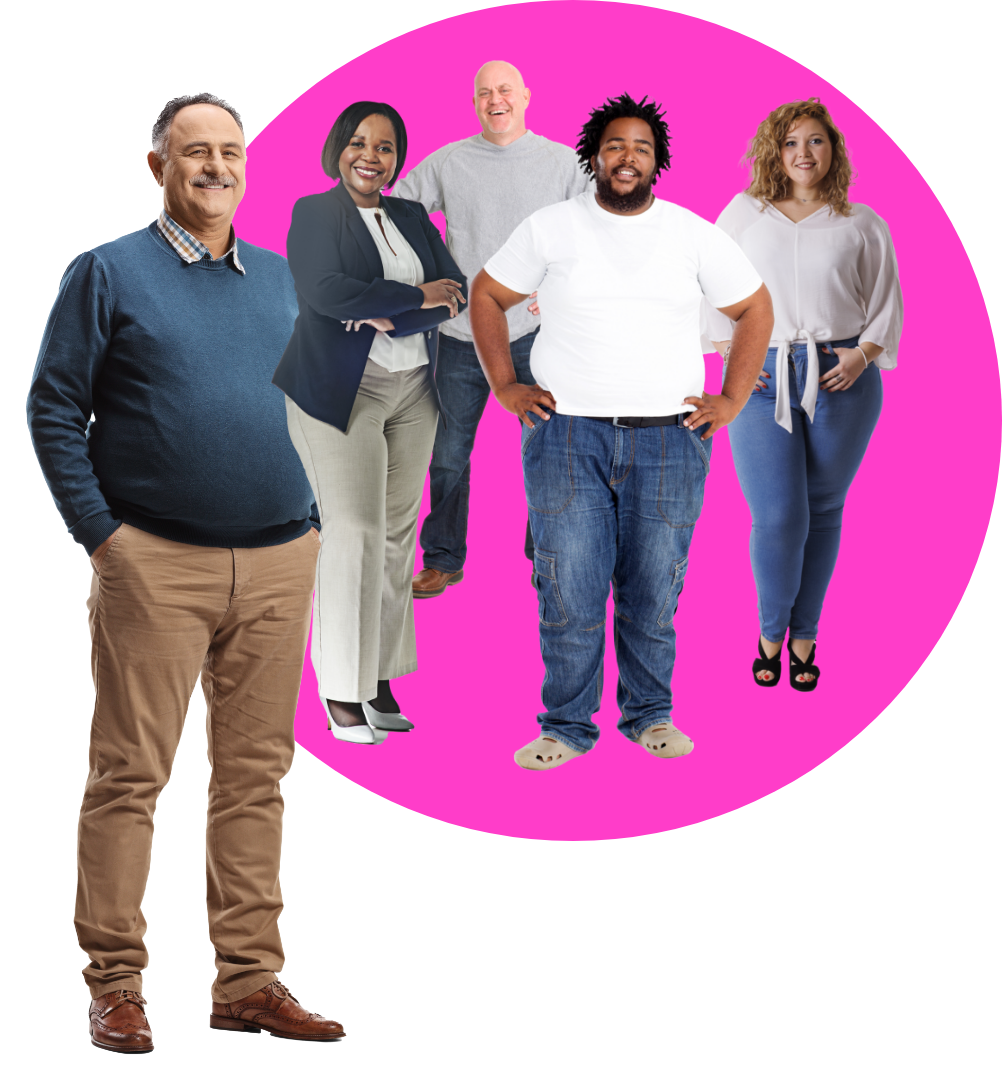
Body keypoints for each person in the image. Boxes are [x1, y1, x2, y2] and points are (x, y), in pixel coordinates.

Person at [26, 93, 345, 1052]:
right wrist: (104, 538)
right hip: (154, 561)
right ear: (158, 165)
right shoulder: (107, 272)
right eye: (195, 151)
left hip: (282, 560)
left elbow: (319, 414)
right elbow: (51, 409)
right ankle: (116, 984)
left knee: (256, 779)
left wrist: (319, 522)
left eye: (231, 151)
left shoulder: (285, 280)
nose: (216, 166)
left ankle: (249, 983)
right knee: (130, 776)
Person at [470, 93, 773, 769]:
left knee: (653, 586)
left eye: (640, 146)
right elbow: (487, 294)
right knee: (567, 584)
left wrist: (732, 397)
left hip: (671, 438)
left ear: (657, 160)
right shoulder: (552, 227)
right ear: (594, 157)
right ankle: (566, 726)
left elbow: (754, 306)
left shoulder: (691, 233)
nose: (627, 157)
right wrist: (504, 383)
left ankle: (650, 716)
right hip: (565, 436)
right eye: (614, 146)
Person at [273, 101, 467, 744]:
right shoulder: (314, 212)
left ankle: (379, 675)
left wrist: (389, 312)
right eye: (359, 142)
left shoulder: (410, 215)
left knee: (394, 540)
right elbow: (325, 293)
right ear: (338, 147)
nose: (371, 156)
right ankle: (340, 688)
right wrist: (415, 297)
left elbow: (456, 290)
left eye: (385, 147)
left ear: (396, 159)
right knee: (353, 531)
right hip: (338, 392)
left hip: (415, 392)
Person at [702, 99, 902, 691]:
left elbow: (885, 302)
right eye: (791, 143)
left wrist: (863, 355)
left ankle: (806, 634)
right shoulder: (744, 215)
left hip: (842, 377)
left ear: (833, 150)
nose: (803, 154)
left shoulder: (861, 223)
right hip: (761, 379)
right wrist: (730, 355)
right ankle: (770, 630)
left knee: (823, 511)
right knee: (777, 516)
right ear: (774, 152)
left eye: (815, 141)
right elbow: (708, 288)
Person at [393, 60, 591, 598]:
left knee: (552, 452)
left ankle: (545, 554)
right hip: (463, 337)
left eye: (504, 90)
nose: (495, 99)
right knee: (448, 453)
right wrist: (432, 272)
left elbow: (601, 225)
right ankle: (443, 558)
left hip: (538, 333)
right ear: (475, 103)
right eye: (484, 93)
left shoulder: (563, 163)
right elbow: (396, 212)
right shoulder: (451, 162)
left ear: (526, 96)